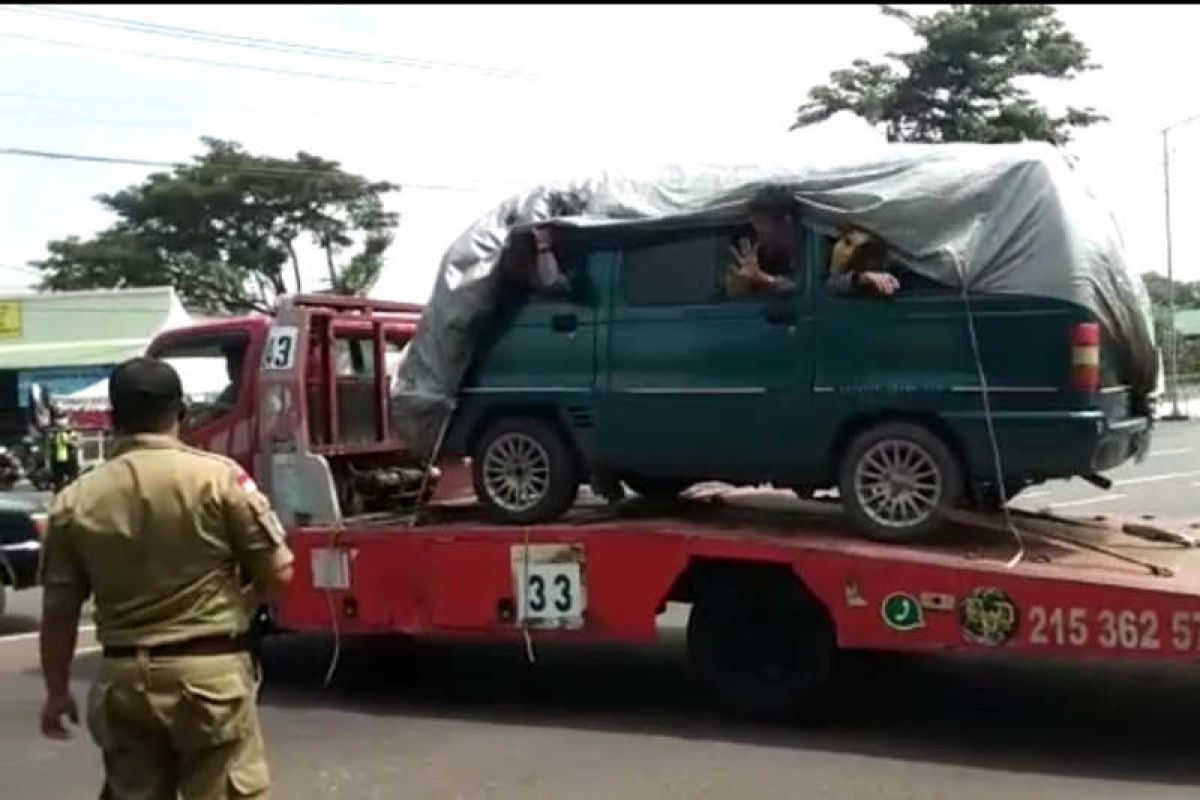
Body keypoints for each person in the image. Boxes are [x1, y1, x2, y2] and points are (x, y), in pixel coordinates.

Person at [38, 356, 294, 799]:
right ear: (182, 413)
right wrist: (242, 603)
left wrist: (57, 692)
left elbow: (58, 614)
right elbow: (280, 571)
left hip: (123, 683)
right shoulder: (219, 480)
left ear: (113, 419)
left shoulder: (73, 500)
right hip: (210, 680)